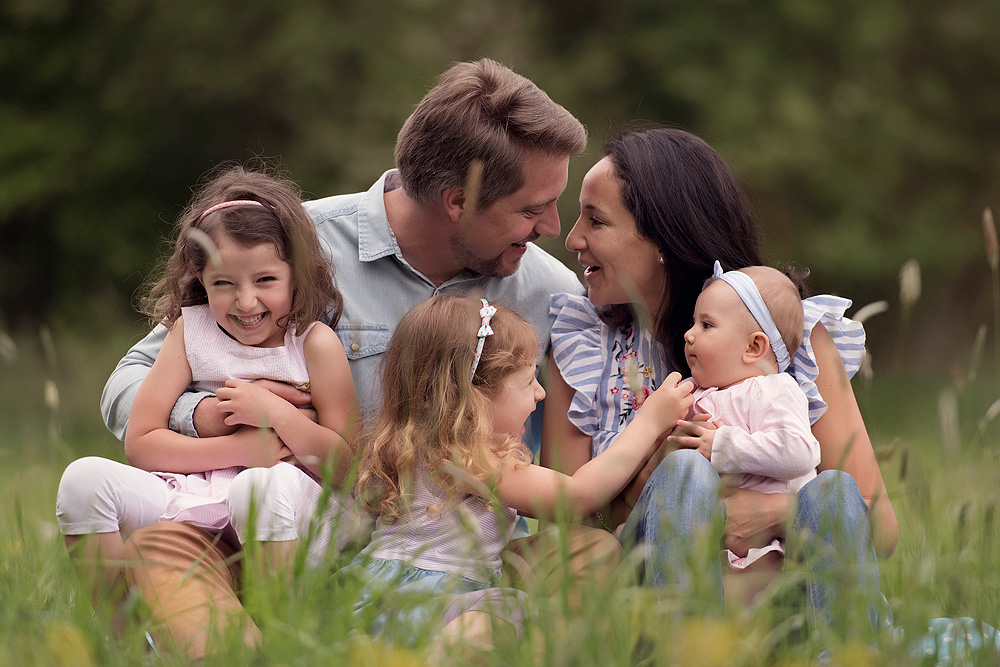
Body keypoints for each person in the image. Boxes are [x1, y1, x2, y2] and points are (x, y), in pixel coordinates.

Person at [98, 59, 618, 659]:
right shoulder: (289, 248)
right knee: (164, 550)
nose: (553, 228)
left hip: (464, 557)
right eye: (532, 209)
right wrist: (214, 413)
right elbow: (127, 383)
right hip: (293, 531)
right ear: (458, 201)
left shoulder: (544, 290)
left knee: (587, 556)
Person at [542, 127, 898, 638]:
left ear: (663, 240)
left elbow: (878, 525)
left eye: (595, 220)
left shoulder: (783, 340)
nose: (572, 238)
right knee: (684, 471)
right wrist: (650, 483)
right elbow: (563, 539)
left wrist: (776, 511)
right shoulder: (584, 346)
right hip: (649, 612)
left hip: (792, 609)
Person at [56, 166, 361, 617]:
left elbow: (348, 466)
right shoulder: (189, 332)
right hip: (196, 492)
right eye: (224, 284)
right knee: (82, 480)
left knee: (255, 489)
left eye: (265, 281)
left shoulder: (314, 342)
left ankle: (278, 631)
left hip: (293, 505)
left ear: (296, 274)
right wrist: (238, 447)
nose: (246, 302)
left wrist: (276, 414)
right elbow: (141, 444)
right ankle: (121, 634)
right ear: (201, 279)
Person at [346, 295, 693, 649]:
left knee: (590, 547)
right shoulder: (470, 456)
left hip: (384, 590)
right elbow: (575, 497)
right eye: (529, 382)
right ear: (475, 396)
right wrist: (649, 421)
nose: (541, 393)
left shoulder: (417, 441)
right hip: (428, 598)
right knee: (512, 615)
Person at [666, 262, 822, 605]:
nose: (689, 334)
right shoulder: (701, 393)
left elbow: (799, 451)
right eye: (694, 323)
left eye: (706, 325)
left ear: (754, 347)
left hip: (770, 551)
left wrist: (723, 445)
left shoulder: (773, 390)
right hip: (718, 544)